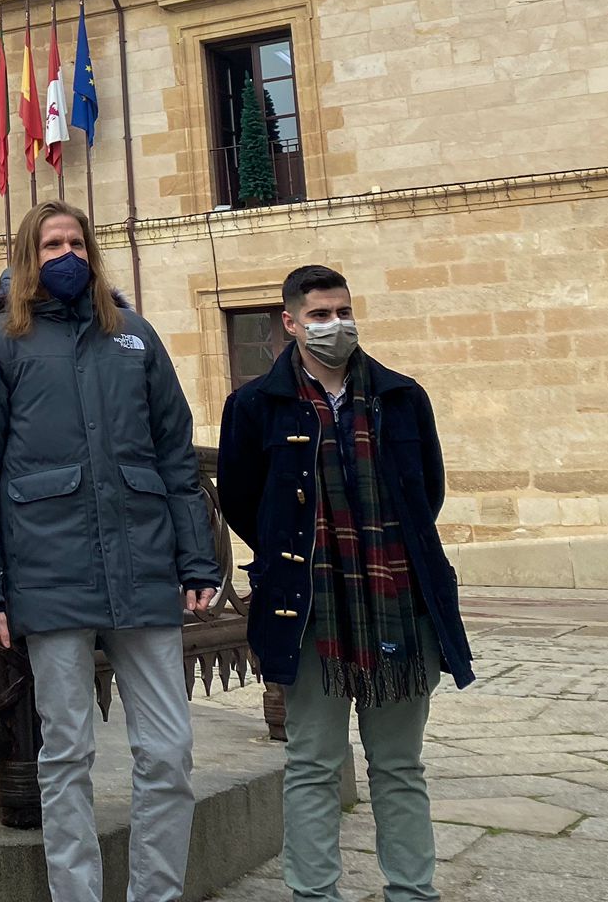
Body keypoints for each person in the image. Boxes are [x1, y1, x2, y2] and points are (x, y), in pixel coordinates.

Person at [0, 201, 222, 902]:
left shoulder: (134, 335)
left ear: (92, 252)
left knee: (168, 752)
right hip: (49, 573)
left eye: (75, 241)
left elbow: (174, 455)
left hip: (144, 569)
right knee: (65, 754)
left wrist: (197, 560)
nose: (64, 253)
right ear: (26, 255)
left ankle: (155, 894)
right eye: (49, 244)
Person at [217, 265, 474, 902]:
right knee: (311, 764)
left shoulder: (402, 396)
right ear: (290, 322)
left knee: (399, 765)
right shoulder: (254, 405)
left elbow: (427, 493)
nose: (335, 325)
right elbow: (243, 501)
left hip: (398, 604)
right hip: (310, 610)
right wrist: (293, 556)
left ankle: (413, 892)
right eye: (320, 315)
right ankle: (314, 895)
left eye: (342, 312)